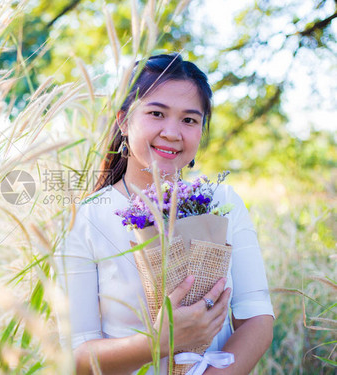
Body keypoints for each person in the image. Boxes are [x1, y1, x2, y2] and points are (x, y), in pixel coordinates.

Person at [55, 53, 274, 374]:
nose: (172, 132)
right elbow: (78, 355)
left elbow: (257, 319)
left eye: (189, 120)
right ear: (123, 120)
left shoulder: (222, 202)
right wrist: (160, 341)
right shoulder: (84, 220)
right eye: (156, 113)